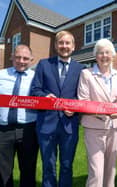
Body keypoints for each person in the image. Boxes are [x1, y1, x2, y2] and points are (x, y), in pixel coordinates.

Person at [30, 30, 85, 187]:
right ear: (55, 45)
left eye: (68, 43)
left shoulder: (81, 69)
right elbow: (35, 90)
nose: (64, 46)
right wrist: (44, 98)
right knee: (48, 166)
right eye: (61, 42)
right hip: (46, 124)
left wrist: (74, 106)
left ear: (73, 47)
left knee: (67, 166)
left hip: (69, 125)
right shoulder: (43, 64)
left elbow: (82, 95)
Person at [0, 44, 38, 187]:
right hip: (2, 130)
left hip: (29, 130)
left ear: (32, 60)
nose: (21, 61)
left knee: (28, 170)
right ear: (12, 57)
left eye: (25, 58)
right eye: (18, 57)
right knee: (3, 171)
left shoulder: (37, 78)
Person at [77, 38, 117, 187]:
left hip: (116, 127)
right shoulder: (86, 74)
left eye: (107, 52)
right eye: (100, 53)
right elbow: (83, 101)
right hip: (94, 127)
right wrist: (106, 111)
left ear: (113, 55)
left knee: (111, 169)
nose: (104, 56)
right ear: (95, 56)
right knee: (96, 171)